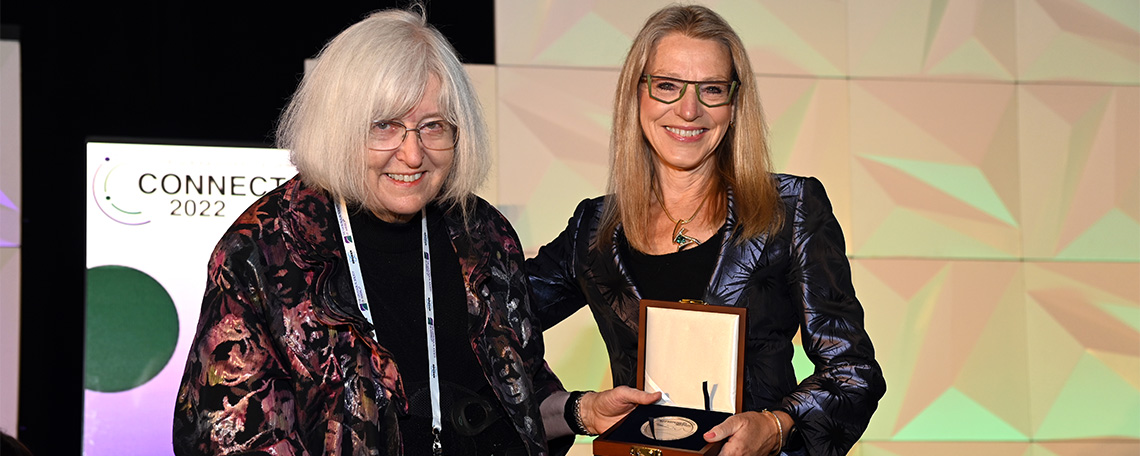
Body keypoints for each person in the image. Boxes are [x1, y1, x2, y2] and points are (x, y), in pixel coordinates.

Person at [172, 7, 657, 456]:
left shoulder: (483, 235)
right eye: (385, 126)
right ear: (337, 127)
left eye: (432, 127)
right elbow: (227, 436)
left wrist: (580, 411)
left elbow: (517, 394)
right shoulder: (264, 251)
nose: (412, 154)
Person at [526, 5, 886, 456]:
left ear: (734, 104)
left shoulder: (790, 210)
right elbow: (486, 331)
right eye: (668, 86)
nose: (690, 109)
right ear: (637, 95)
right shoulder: (593, 230)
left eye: (712, 89)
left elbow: (853, 371)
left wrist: (775, 426)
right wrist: (576, 409)